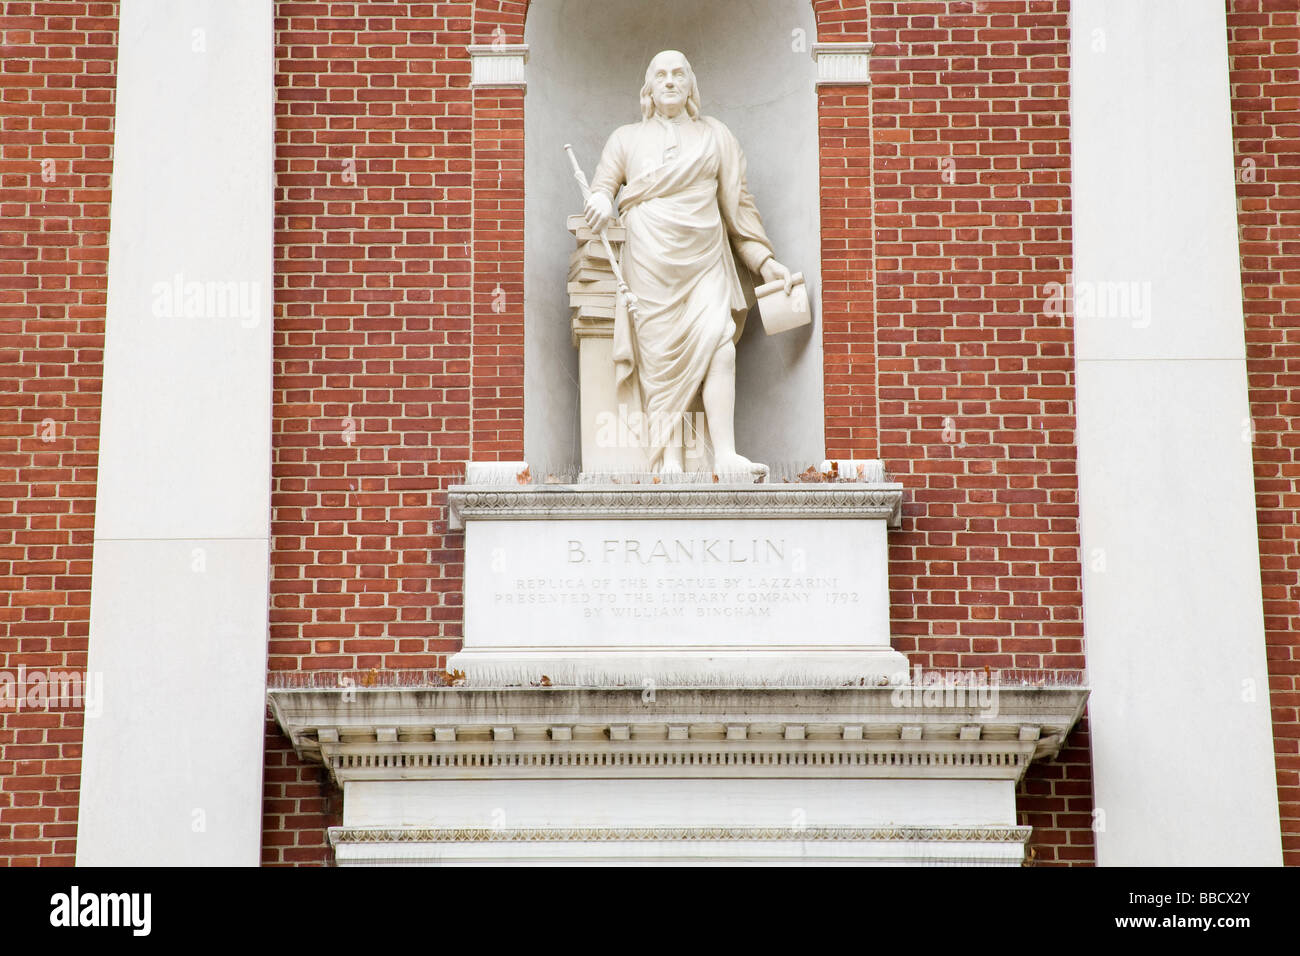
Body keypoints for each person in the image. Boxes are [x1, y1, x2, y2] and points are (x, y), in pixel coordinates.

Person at [583, 49, 793, 478]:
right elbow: (603, 186)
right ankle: (670, 460)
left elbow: (739, 206)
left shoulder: (716, 136)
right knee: (659, 359)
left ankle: (727, 454)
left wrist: (763, 261)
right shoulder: (625, 138)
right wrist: (602, 201)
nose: (671, 81)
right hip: (649, 259)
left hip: (704, 258)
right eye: (661, 75)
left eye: (679, 74)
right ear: (649, 88)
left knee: (718, 342)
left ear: (691, 84)